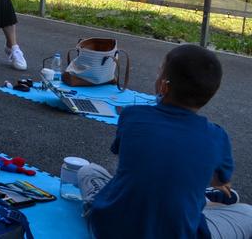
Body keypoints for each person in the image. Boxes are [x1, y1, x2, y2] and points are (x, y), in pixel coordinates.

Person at [77, 44, 252, 239]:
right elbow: (220, 181)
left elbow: (128, 155)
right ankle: (206, 199)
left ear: (163, 86)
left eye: (160, 71)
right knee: (247, 213)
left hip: (110, 229)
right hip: (181, 231)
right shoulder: (217, 137)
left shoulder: (133, 116)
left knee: (87, 170)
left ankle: (204, 199)